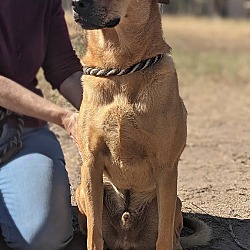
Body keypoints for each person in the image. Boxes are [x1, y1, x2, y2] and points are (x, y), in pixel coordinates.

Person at [0, 1, 83, 249]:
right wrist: (64, 117)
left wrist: (106, 112)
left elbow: (63, 67)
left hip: (21, 132)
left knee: (42, 237)